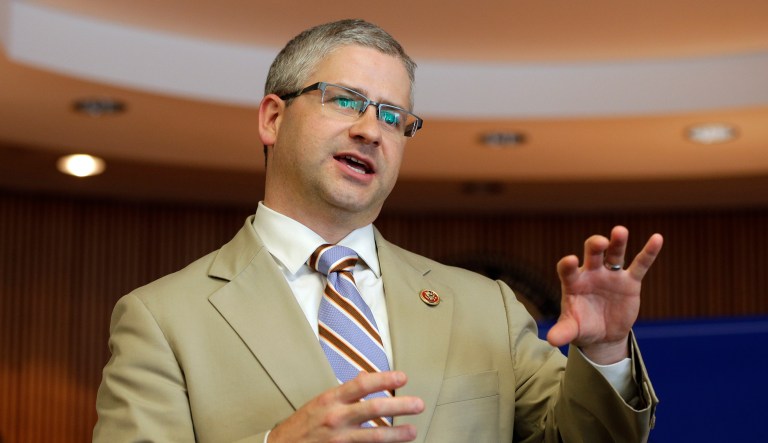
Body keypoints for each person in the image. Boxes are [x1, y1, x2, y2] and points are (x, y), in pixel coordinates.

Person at [94, 19, 663, 443]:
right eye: (346, 101)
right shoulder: (161, 319)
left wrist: (606, 352)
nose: (372, 130)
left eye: (394, 117)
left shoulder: (484, 306)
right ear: (272, 117)